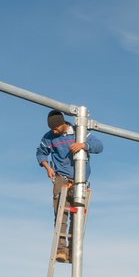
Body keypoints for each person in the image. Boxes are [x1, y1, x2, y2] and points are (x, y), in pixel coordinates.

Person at [36, 110, 102, 262]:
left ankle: (72, 251)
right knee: (61, 215)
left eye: (55, 128)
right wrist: (48, 167)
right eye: (51, 129)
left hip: (80, 181)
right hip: (61, 179)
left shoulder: (80, 132)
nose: (53, 131)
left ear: (62, 124)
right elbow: (40, 152)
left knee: (77, 217)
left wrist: (83, 145)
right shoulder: (49, 137)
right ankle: (61, 250)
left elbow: (99, 146)